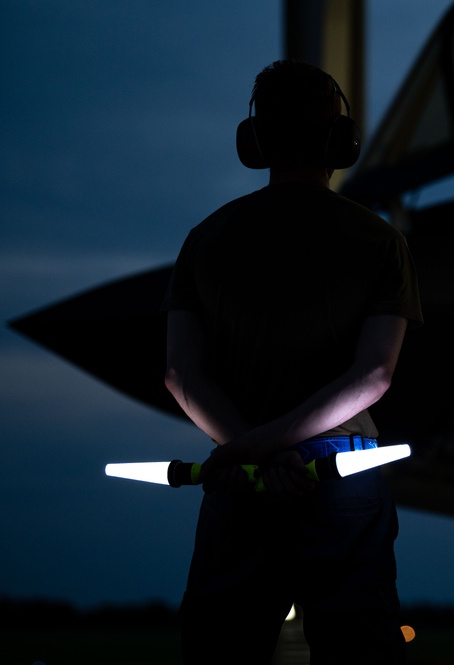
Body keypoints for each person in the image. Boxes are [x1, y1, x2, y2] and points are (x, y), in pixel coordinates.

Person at [161, 59, 423, 664]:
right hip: (339, 475)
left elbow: (180, 374)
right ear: (341, 141)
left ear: (254, 141)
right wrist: (287, 448)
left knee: (220, 648)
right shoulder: (381, 241)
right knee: (359, 649)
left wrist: (251, 448)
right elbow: (374, 376)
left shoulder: (208, 237)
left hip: (236, 473)